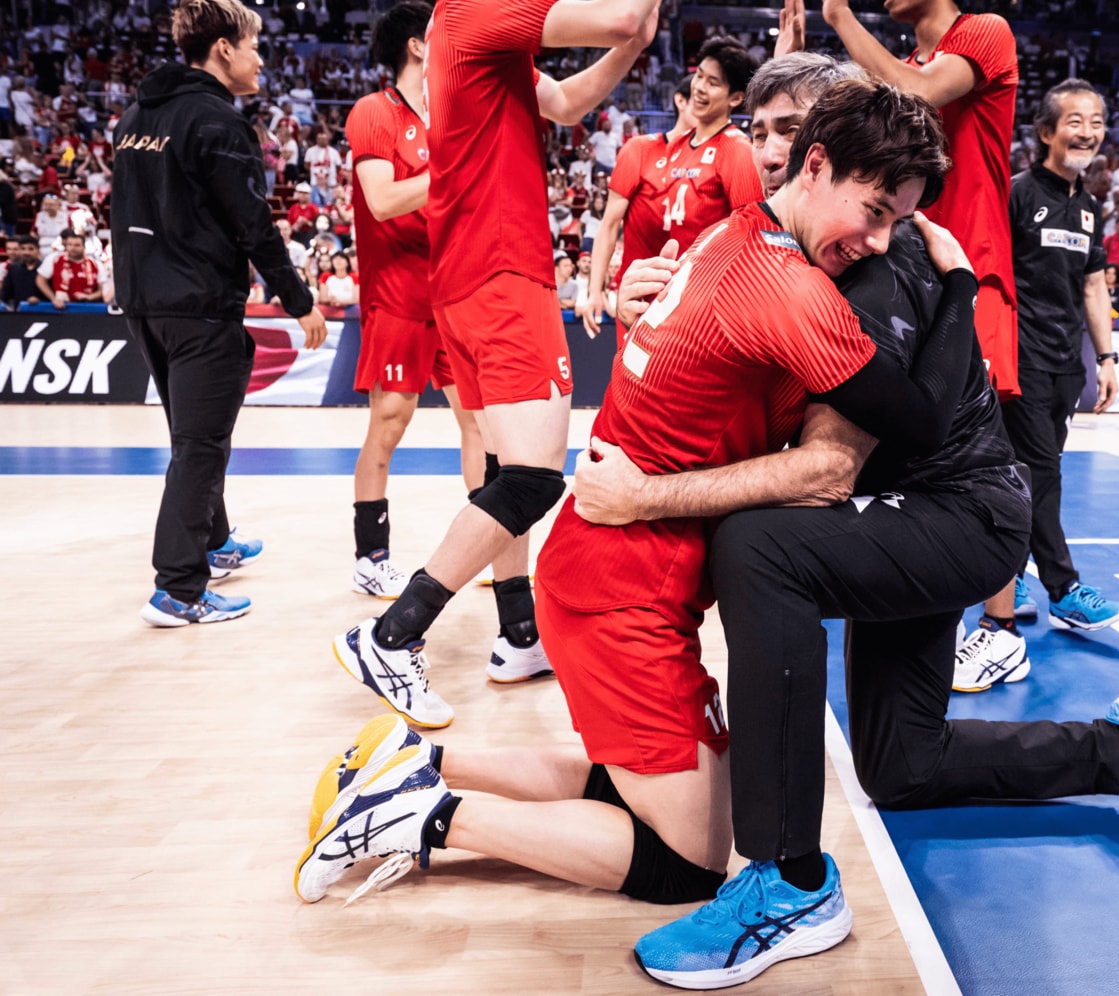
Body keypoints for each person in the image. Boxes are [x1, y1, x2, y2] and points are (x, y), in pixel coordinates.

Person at [585, 72, 1119, 989]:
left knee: (761, 548)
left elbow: (846, 460)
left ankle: (788, 880)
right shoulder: (775, 241)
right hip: (927, 509)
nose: (762, 151)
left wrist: (642, 498)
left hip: (962, 514)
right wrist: (649, 297)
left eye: (783, 134)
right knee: (902, 763)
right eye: (761, 131)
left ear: (815, 152)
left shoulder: (868, 270)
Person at [297, 74, 957, 920]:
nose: (881, 240)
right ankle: (419, 817)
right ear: (816, 165)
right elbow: (921, 421)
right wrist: (964, 286)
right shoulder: (790, 290)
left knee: (633, 786)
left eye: (898, 222)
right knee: (687, 864)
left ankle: (415, 764)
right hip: (623, 589)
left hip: (615, 567)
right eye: (874, 212)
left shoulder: (733, 233)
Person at [332, 0, 661, 726]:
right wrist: (631, 25)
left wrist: (635, 44)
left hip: (470, 275)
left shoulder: (475, 33)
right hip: (500, 268)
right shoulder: (480, 9)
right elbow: (614, 17)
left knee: (509, 470)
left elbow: (570, 101)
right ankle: (393, 636)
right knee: (535, 478)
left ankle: (518, 634)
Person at [112, 0, 326, 627]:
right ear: (225, 49)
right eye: (255, 45)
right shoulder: (219, 122)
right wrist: (299, 301)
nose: (262, 58)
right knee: (202, 447)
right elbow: (253, 227)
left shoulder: (135, 116)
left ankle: (215, 541)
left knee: (192, 439)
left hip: (145, 305)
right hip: (201, 308)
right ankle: (179, 589)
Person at [956, 80, 1119, 686]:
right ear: (1047, 132)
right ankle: (1065, 588)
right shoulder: (1016, 193)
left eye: (1098, 120)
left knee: (1037, 474)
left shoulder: (1090, 207)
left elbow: (1092, 286)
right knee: (1036, 477)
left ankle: (1013, 576)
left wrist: (1106, 358)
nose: (1088, 131)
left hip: (1065, 366)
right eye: (1075, 121)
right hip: (1019, 361)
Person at [344, 0, 487, 602]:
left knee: (478, 422)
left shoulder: (449, 115)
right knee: (391, 420)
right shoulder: (374, 112)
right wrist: (455, 170)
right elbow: (381, 200)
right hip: (398, 294)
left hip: (453, 292)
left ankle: (488, 541)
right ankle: (370, 554)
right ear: (417, 46)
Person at [819, 0, 1021, 401]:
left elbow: (920, 91)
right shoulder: (902, 66)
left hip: (971, 264)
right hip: (905, 269)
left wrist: (839, 14)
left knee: (970, 425)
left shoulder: (986, 30)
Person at [581, 39, 761, 344]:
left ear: (735, 98)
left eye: (713, 82)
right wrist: (595, 288)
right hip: (642, 305)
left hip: (695, 314)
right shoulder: (672, 146)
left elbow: (752, 241)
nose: (700, 87)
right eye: (699, 75)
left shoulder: (737, 150)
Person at [37, 230, 103, 309]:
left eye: (77, 245)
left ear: (84, 247)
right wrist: (53, 298)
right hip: (61, 308)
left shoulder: (95, 263)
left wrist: (89, 297)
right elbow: (40, 280)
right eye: (70, 245)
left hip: (88, 307)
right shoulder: (54, 259)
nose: (73, 248)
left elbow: (103, 290)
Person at [0, 234, 44, 309]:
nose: (26, 252)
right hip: (18, 314)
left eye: (31, 249)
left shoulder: (45, 268)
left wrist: (40, 300)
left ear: (38, 250)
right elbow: (5, 294)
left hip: (43, 312)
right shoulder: (13, 268)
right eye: (23, 249)